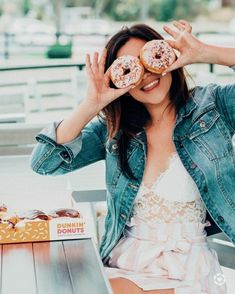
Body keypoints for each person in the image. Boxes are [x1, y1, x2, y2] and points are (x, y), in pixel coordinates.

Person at [30, 20, 235, 294]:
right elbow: (44, 163)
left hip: (186, 268)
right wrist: (91, 105)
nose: (146, 76)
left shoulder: (213, 107)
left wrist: (206, 53)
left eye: (148, 61)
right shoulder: (115, 130)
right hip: (124, 262)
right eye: (131, 69)